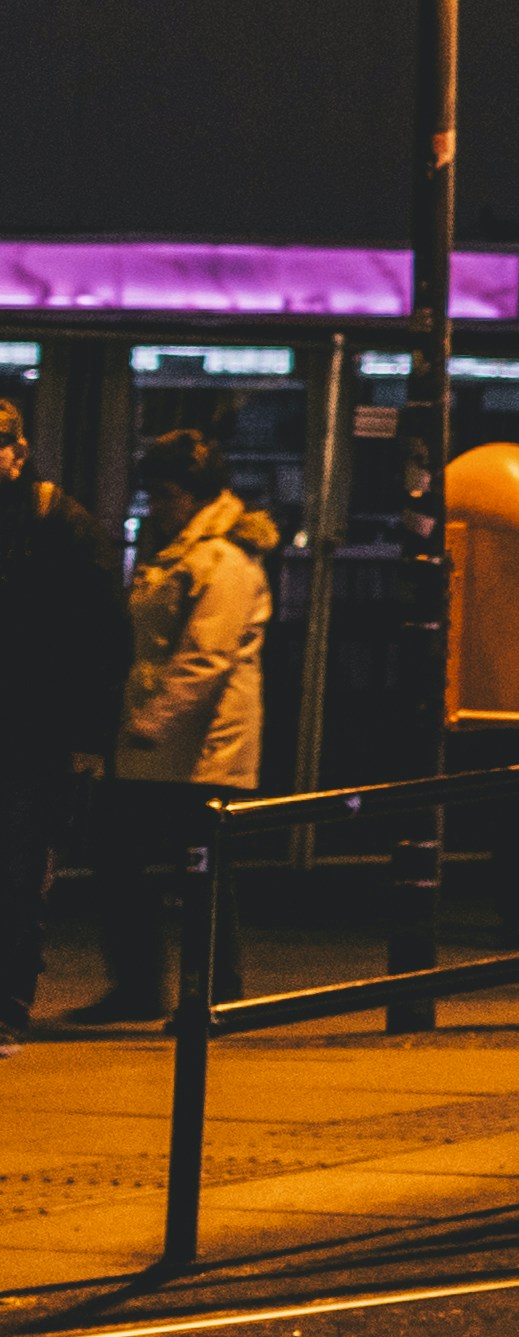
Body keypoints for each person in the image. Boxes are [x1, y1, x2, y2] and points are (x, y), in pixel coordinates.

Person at [70, 427, 274, 1026]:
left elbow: (206, 656)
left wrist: (149, 721)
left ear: (198, 494)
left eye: (166, 494)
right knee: (139, 861)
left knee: (191, 870)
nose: (157, 505)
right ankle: (161, 987)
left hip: (201, 745)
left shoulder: (223, 559)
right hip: (163, 743)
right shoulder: (182, 552)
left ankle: (209, 992)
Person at [6, 395, 137, 1033]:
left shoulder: (62, 526)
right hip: (32, 721)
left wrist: (87, 737)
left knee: (18, 866)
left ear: (18, 451)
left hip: (36, 729)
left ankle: (8, 1002)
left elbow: (106, 641)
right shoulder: (52, 522)